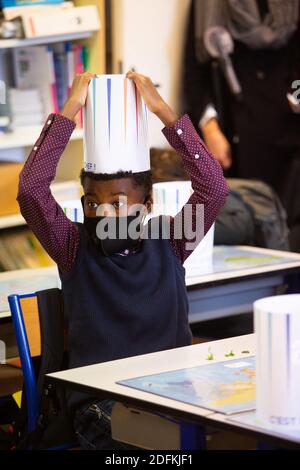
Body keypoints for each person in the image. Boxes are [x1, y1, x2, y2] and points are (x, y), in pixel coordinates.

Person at [17, 71, 228, 449]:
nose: (104, 213)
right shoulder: (72, 246)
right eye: (92, 203)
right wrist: (68, 112)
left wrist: (163, 112)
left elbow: (213, 187)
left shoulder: (172, 239)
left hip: (168, 393)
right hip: (101, 402)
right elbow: (32, 192)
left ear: (147, 204)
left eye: (118, 202)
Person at [183, 0, 300, 250]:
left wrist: (296, 95)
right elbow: (194, 71)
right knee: (253, 230)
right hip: (239, 134)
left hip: (290, 131)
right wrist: (210, 129)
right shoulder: (210, 4)